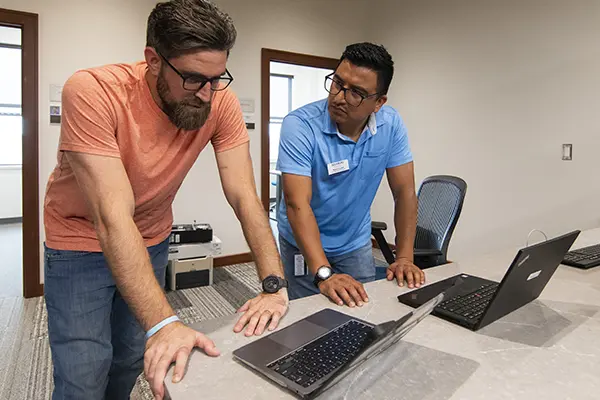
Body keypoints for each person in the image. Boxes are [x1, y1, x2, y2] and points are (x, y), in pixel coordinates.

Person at [42, 1, 289, 399]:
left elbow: (244, 194)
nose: (207, 94)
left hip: (152, 238)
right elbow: (111, 217)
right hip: (79, 241)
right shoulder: (93, 91)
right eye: (193, 79)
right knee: (84, 369)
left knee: (127, 357)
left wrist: (273, 283)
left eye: (217, 78)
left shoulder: (218, 100)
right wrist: (165, 324)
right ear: (153, 61)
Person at [276, 42, 425, 307]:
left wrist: (403, 257)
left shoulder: (391, 125)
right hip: (302, 242)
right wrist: (323, 273)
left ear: (378, 102)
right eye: (337, 83)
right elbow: (297, 204)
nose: (339, 97)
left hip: (354, 241)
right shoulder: (299, 125)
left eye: (356, 92)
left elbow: (404, 193)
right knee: (307, 319)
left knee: (363, 314)